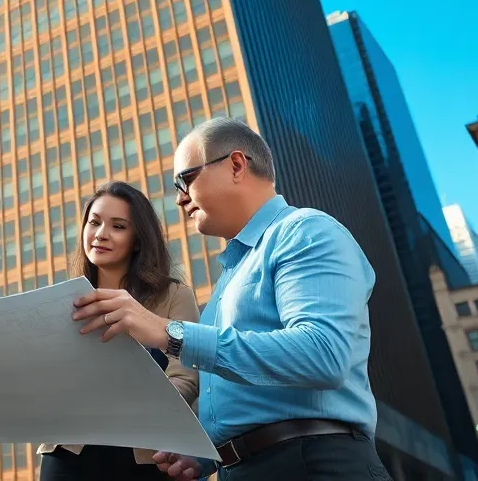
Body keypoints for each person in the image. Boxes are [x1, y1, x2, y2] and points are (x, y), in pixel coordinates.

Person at [71, 118, 393, 480]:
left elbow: (323, 354)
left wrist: (169, 333)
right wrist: (209, 455)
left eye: (185, 179)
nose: (179, 198)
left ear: (236, 165)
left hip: (313, 462)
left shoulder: (305, 232)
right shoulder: (230, 277)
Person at [38, 180, 200, 480]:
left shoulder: (174, 297)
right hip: (69, 453)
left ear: (137, 239)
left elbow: (186, 377)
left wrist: (130, 409)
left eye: (118, 226)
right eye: (94, 222)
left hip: (144, 455)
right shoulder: (63, 301)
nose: (101, 234)